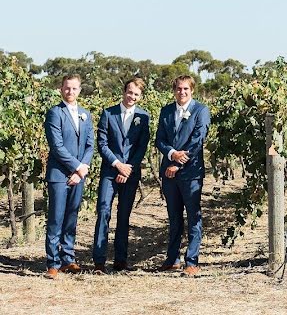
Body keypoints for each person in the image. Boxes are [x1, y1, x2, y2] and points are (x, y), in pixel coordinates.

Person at [91, 77, 151, 273]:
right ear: (124, 91)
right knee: (103, 212)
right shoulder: (108, 113)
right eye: (129, 92)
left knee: (123, 216)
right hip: (110, 171)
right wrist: (118, 165)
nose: (132, 96)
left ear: (140, 97)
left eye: (136, 94)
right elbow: (102, 143)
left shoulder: (144, 117)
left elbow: (141, 146)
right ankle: (99, 260)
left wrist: (129, 168)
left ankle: (120, 260)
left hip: (131, 174)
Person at [155, 75, 210, 276]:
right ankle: (172, 259)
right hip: (169, 173)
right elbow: (159, 139)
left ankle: (192, 261)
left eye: (186, 89)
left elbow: (197, 140)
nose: (182, 92)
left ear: (192, 90)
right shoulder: (166, 111)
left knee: (193, 216)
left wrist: (178, 164)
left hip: (190, 173)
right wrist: (171, 154)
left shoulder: (201, 111)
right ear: (174, 90)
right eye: (179, 89)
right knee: (174, 217)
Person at [44, 74, 94, 279]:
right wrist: (77, 168)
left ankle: (68, 258)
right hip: (59, 175)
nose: (70, 92)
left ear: (79, 90)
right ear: (61, 89)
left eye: (74, 89)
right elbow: (57, 147)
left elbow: (90, 144)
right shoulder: (55, 113)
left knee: (72, 217)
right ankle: (53, 263)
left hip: (78, 175)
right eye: (67, 88)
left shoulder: (85, 114)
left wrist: (82, 168)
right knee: (56, 218)